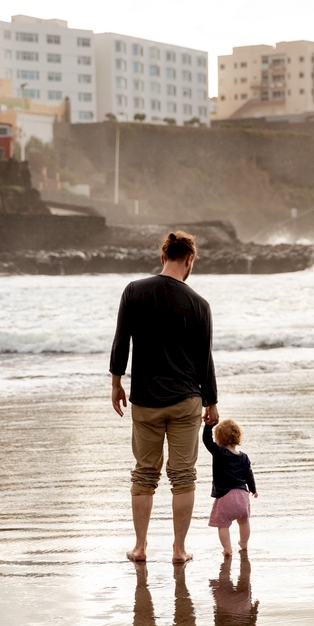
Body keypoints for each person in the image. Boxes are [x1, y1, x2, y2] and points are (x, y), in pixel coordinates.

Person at [110, 230, 219, 563]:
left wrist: (116, 383)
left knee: (145, 473)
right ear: (189, 260)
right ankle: (178, 549)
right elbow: (205, 359)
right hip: (186, 400)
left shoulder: (134, 291)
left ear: (162, 257)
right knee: (183, 476)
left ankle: (140, 547)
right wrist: (211, 402)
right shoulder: (199, 304)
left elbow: (121, 341)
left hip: (145, 400)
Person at [202, 418, 257, 556]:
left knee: (223, 525)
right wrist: (254, 489)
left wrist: (208, 426)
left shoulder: (220, 453)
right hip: (242, 496)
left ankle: (227, 548)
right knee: (244, 522)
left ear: (219, 439)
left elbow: (207, 441)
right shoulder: (244, 457)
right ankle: (244, 543)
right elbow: (249, 474)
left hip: (225, 497)